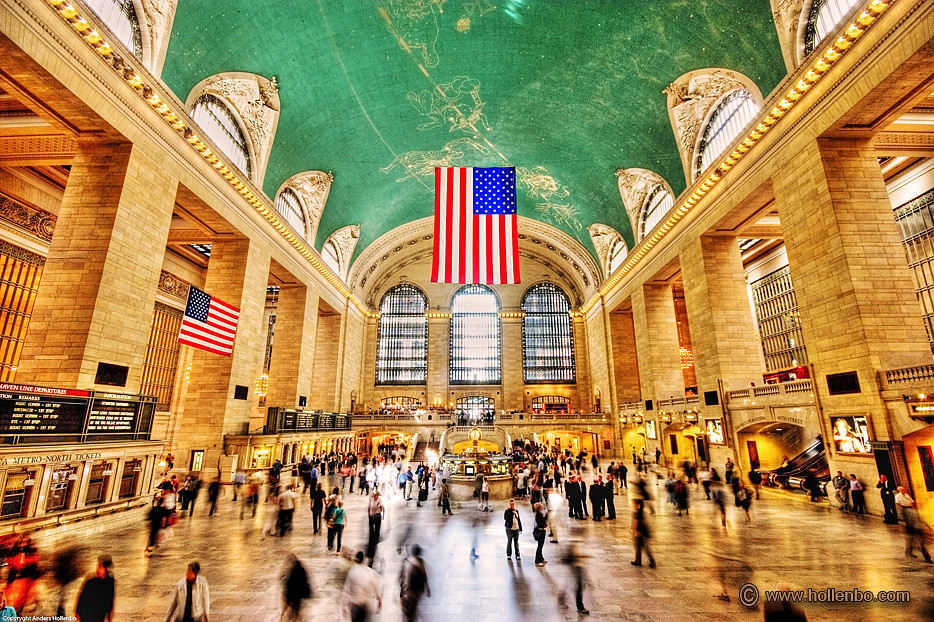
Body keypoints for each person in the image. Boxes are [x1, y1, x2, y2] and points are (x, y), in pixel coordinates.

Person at [894, 486, 932, 562]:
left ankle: (911, 552)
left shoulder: (908, 498)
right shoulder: (899, 498)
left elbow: (921, 519)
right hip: (911, 528)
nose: (904, 490)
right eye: (902, 489)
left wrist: (928, 526)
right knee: (915, 542)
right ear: (899, 490)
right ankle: (923, 556)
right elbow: (898, 504)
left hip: (915, 528)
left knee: (913, 541)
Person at [341, 551, 381, 622]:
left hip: (355, 605)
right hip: (366, 605)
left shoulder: (352, 572)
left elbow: (346, 590)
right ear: (363, 559)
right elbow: (377, 585)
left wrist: (344, 606)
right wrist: (379, 599)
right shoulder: (370, 572)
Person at [75, 554, 115, 622]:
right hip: (87, 614)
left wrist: (110, 613)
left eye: (100, 567)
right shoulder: (91, 581)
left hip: (99, 615)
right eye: (98, 567)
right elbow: (82, 597)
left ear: (106, 569)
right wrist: (77, 613)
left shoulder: (110, 582)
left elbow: (110, 597)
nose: (98, 569)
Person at [400, 544, 431, 622]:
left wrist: (403, 590)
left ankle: (410, 618)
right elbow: (425, 576)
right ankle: (411, 617)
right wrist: (428, 588)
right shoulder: (421, 562)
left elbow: (404, 577)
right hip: (418, 590)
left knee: (411, 607)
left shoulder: (408, 562)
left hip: (410, 589)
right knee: (414, 605)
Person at [281, 554, 311, 622]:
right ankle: (295, 618)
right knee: (296, 610)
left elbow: (289, 584)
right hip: (298, 595)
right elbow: (305, 581)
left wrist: (285, 595)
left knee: (292, 610)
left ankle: (292, 618)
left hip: (292, 595)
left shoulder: (292, 571)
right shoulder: (301, 569)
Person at [631, 498, 656, 568]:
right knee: (639, 547)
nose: (633, 505)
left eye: (634, 504)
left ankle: (650, 561)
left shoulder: (638, 513)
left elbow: (636, 522)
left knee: (643, 548)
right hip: (642, 532)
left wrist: (634, 530)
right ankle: (638, 560)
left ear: (638, 505)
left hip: (640, 532)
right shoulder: (640, 512)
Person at [367, 490, 384, 564]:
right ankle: (373, 538)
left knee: (376, 529)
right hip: (373, 516)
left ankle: (375, 538)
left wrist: (383, 515)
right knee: (372, 528)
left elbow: (383, 508)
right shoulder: (372, 500)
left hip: (376, 516)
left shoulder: (378, 501)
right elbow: (369, 508)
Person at [533, 502, 548, 566]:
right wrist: (546, 517)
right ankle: (537, 560)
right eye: (541, 507)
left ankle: (541, 558)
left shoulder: (539, 514)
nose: (542, 508)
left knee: (541, 546)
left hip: (542, 530)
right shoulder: (538, 515)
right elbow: (541, 522)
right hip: (540, 531)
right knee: (539, 546)